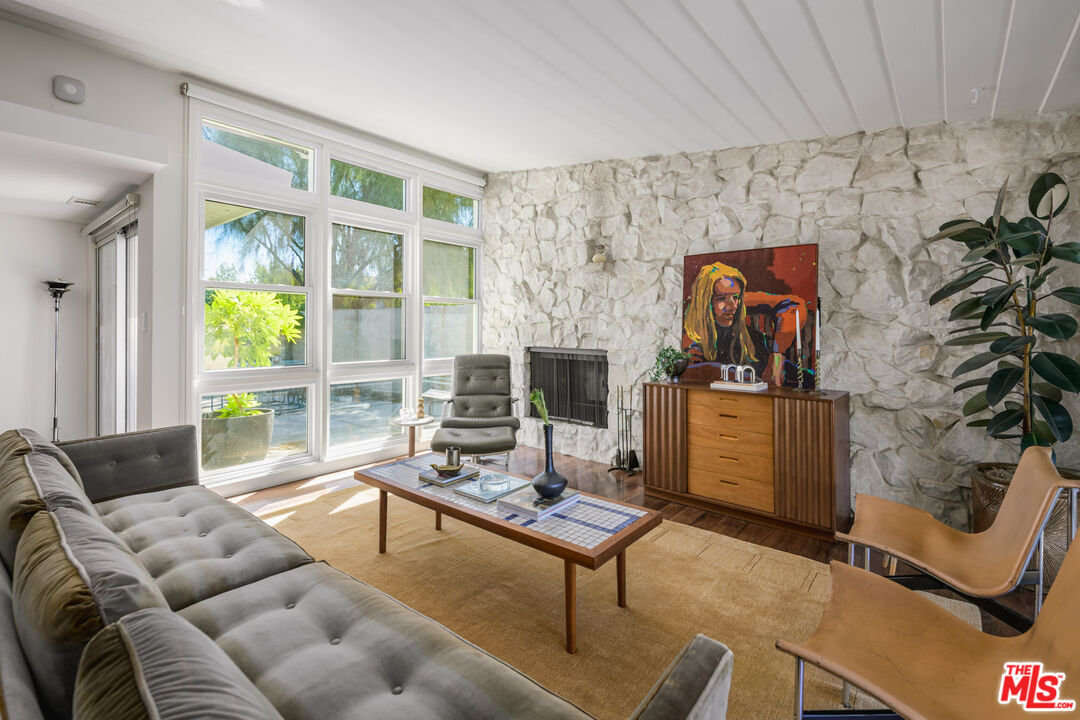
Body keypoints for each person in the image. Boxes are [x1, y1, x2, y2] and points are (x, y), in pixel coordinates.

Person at [682, 261, 808, 386]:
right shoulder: (693, 341)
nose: (732, 307)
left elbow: (795, 306)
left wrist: (777, 358)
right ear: (705, 303)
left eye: (736, 297)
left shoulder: (754, 339)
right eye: (721, 298)